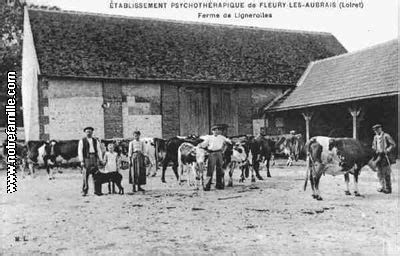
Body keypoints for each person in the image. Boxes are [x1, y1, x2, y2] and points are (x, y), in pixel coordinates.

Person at [201, 124, 231, 191]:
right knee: (210, 170)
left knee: (220, 169)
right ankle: (207, 186)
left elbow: (228, 141)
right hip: (212, 154)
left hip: (219, 153)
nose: (216, 131)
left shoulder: (221, 137)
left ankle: (219, 185)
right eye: (214, 130)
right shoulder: (209, 138)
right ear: (212, 131)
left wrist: (229, 142)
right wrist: (200, 145)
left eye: (217, 130)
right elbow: (203, 145)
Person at [78, 127, 103, 196]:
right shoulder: (82, 141)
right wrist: (81, 161)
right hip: (86, 158)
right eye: (87, 132)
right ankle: (84, 191)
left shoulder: (95, 140)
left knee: (96, 175)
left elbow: (99, 150)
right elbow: (80, 151)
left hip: (94, 158)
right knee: (85, 175)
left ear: (92, 132)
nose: (88, 133)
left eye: (90, 131)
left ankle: (97, 191)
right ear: (85, 133)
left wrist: (100, 159)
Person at [372, 124, 396, 194]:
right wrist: (375, 150)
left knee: (386, 172)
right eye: (375, 130)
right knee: (379, 173)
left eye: (377, 129)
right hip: (378, 156)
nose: (376, 131)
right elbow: (373, 146)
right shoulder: (375, 137)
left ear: (380, 129)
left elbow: (393, 144)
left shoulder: (386, 136)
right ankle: (382, 187)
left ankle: (388, 188)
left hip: (386, 156)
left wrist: (387, 150)